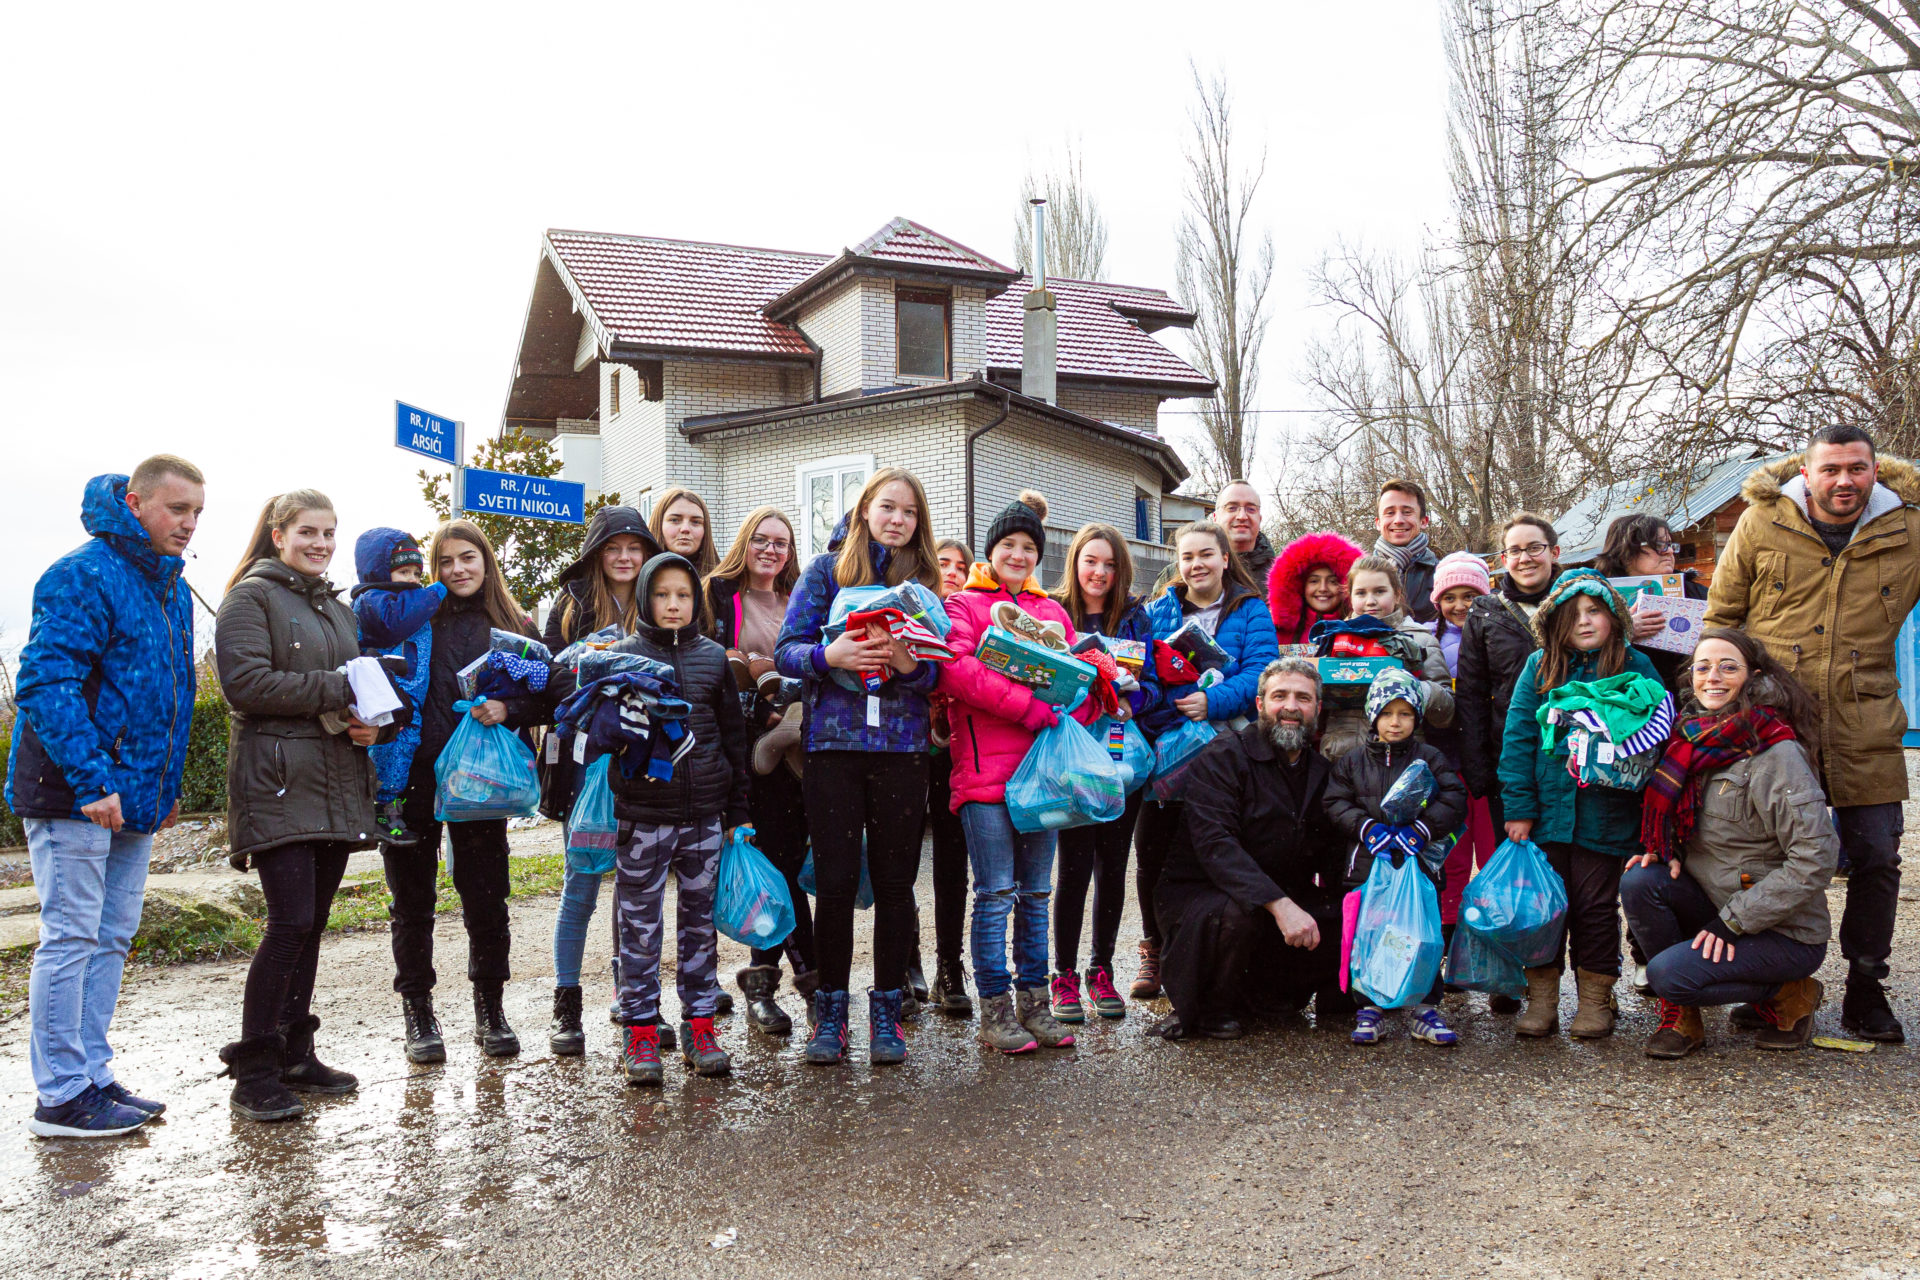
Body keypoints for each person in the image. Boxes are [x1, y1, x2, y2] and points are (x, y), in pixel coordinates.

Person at [1706, 426, 1920, 1043]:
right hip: (1773, 724)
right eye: (1831, 469)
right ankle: (1777, 989)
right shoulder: (1762, 521)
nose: (1844, 481)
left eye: (1856, 468)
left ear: (1875, 470)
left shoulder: (1908, 529)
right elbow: (1721, 619)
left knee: (1876, 857)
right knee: (1765, 856)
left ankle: (1866, 989)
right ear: (1807, 471)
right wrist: (1722, 706)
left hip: (1865, 721)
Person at [11, 458, 202, 1138]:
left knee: (112, 936)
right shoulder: (81, 573)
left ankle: (91, 1074)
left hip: (131, 797)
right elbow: (46, 683)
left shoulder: (171, 586)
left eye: (197, 512)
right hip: (73, 792)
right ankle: (60, 1095)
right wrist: (93, 780)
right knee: (71, 935)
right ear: (135, 502)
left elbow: (172, 696)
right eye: (177, 508)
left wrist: (163, 790)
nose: (189, 523)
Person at [215, 491, 384, 1121]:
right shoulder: (249, 598)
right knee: (289, 923)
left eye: (329, 533)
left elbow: (354, 691)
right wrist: (338, 688)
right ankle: (254, 1072)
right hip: (277, 782)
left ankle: (294, 1052)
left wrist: (371, 723)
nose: (321, 543)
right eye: (308, 532)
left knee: (311, 924)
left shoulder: (337, 609)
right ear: (278, 534)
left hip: (335, 779)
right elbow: (245, 685)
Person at [776, 467, 942, 1065]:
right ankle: (831, 1014)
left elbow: (939, 671)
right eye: (888, 507)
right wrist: (831, 655)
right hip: (834, 749)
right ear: (864, 509)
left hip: (902, 751)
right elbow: (787, 651)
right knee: (836, 884)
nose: (898, 519)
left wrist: (909, 664)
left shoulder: (923, 583)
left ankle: (887, 1014)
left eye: (910, 512)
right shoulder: (826, 572)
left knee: (896, 886)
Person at [1623, 629, 1837, 1057]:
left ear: (1753, 677)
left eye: (1728, 667)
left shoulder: (1775, 752)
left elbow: (1816, 856)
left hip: (1780, 930)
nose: (1713, 677)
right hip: (1717, 904)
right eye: (1702, 667)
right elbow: (1697, 822)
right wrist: (1671, 852)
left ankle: (1790, 990)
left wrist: (1733, 922)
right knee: (1641, 881)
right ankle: (1683, 1016)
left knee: (1668, 975)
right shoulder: (1689, 739)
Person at [384, 520, 547, 1063]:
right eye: (446, 561)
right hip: (414, 776)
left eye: (468, 558)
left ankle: (490, 1010)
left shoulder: (515, 624)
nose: (458, 570)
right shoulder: (416, 619)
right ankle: (418, 1014)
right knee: (412, 902)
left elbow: (549, 693)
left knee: (486, 898)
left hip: (483, 783)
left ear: (486, 561)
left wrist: (509, 707)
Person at [940, 492, 1095, 1054]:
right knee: (995, 894)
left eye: (1029, 547)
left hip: (1044, 778)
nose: (1019, 554)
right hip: (985, 777)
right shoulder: (964, 605)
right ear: (991, 550)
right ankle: (996, 1011)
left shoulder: (1053, 613)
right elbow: (955, 670)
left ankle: (1036, 1005)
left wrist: (1083, 699)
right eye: (1009, 544)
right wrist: (1028, 706)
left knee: (1035, 894)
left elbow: (1076, 683)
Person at [1497, 570, 1662, 1040]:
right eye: (1573, 615)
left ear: (1615, 617)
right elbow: (1518, 737)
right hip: (1546, 814)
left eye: (1594, 612)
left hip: (1606, 814)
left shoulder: (1635, 665)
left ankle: (1594, 1000)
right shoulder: (1540, 666)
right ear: (1554, 622)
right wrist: (1518, 808)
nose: (1584, 622)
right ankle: (1542, 999)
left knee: (1595, 907)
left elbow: (1657, 737)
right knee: (1543, 909)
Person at [606, 553, 750, 1084]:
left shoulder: (713, 658)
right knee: (639, 931)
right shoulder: (623, 657)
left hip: (705, 818)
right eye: (662, 594)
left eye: (683, 595)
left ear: (696, 601)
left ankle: (701, 1027)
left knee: (700, 928)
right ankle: (641, 1031)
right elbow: (606, 737)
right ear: (645, 598)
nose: (673, 604)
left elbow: (734, 739)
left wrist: (739, 811)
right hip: (643, 818)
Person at [1154, 658, 1345, 1040]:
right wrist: (1280, 904)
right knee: (1235, 916)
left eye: (1303, 698)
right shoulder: (1223, 757)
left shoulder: (1322, 772)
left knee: (1347, 914)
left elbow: (1334, 855)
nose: (1291, 707)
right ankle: (1212, 1007)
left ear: (1318, 709)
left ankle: (1269, 995)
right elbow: (1216, 845)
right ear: (1260, 704)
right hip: (1205, 895)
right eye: (1280, 696)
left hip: (1283, 893)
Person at [1133, 520, 1281, 1000]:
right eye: (1188, 557)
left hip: (1229, 751)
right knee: (1153, 850)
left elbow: (1262, 674)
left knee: (1218, 847)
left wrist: (1211, 701)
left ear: (1224, 559)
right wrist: (1172, 702)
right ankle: (1154, 947)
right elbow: (1144, 671)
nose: (1196, 564)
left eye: (1205, 555)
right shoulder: (1158, 611)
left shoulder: (1250, 608)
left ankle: (1217, 953)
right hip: (1168, 747)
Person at [539, 505, 660, 1056]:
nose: (625, 557)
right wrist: (599, 676)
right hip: (582, 766)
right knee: (582, 883)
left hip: (642, 762)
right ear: (595, 554)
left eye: (635, 547)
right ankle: (566, 1004)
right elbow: (549, 676)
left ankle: (630, 994)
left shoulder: (660, 596)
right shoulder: (571, 604)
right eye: (614, 548)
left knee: (637, 887)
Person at [1048, 523, 1172, 1023]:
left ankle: (1101, 970)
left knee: (1113, 865)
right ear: (1074, 562)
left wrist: (1132, 700)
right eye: (1090, 561)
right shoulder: (1054, 612)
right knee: (1073, 867)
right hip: (1073, 756)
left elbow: (1157, 684)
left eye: (1110, 564)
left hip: (1123, 759)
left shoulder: (1137, 617)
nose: (1099, 572)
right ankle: (1063, 976)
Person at [706, 505, 815, 1036]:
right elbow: (710, 673)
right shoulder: (718, 596)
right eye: (762, 540)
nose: (771, 550)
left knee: (788, 866)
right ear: (744, 543)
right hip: (750, 753)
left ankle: (774, 984)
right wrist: (759, 712)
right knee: (775, 869)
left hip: (801, 754)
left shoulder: (800, 600)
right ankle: (795, 988)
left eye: (781, 543)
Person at [1324, 668, 1468, 1045]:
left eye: (1405, 714)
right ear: (1372, 715)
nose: (1395, 722)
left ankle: (1424, 1006)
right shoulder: (1352, 761)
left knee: (1421, 936)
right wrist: (1366, 828)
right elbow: (1335, 802)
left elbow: (1454, 799)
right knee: (1368, 937)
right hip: (1367, 870)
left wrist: (1422, 830)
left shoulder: (1430, 757)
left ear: (1417, 718)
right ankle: (1369, 1006)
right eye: (1387, 713)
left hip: (1418, 870)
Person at [351, 529, 445, 845]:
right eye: (404, 572)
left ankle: (389, 808)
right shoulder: (373, 601)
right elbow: (394, 622)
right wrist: (435, 591)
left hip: (409, 696)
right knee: (391, 748)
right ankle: (381, 809)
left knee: (403, 747)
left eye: (417, 573)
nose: (413, 580)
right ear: (379, 571)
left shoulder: (401, 600)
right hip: (391, 695)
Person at [1424, 551, 1497, 952]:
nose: (1460, 605)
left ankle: (1493, 930)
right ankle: (1449, 932)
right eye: (1450, 597)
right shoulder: (1428, 639)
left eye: (1470, 596)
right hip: (1445, 760)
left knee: (1491, 850)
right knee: (1451, 854)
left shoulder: (1498, 633)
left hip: (1486, 761)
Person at [1315, 555, 1455, 763]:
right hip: (1343, 759)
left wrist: (1417, 689)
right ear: (1350, 597)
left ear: (1397, 594)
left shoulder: (1419, 640)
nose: (1370, 601)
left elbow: (1447, 714)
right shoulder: (1332, 640)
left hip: (1403, 759)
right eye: (1361, 593)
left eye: (1380, 591)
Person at [1591, 512, 1707, 690]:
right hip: (1625, 695)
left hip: (1688, 694)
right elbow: (1581, 655)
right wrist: (1622, 633)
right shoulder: (1597, 598)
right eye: (1659, 545)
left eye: (1670, 545)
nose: (1669, 551)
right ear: (1626, 552)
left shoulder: (1696, 592)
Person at [1266, 532, 1363, 645]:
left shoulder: (1363, 630)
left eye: (1333, 581)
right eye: (1314, 581)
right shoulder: (1274, 633)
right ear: (1300, 586)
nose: (1323, 588)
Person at [1374, 479, 1440, 623]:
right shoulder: (1358, 574)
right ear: (1378, 523)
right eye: (1390, 512)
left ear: (1423, 521)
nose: (1398, 520)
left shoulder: (1441, 574)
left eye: (1407, 512)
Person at [1216, 480, 1276, 594]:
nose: (1242, 516)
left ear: (1260, 519)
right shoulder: (1195, 572)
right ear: (1215, 517)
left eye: (1251, 509)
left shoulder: (1282, 576)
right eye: (1231, 508)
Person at [649, 486, 718, 576]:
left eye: (696, 522)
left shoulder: (724, 583)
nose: (685, 529)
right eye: (674, 520)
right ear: (658, 524)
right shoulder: (635, 579)